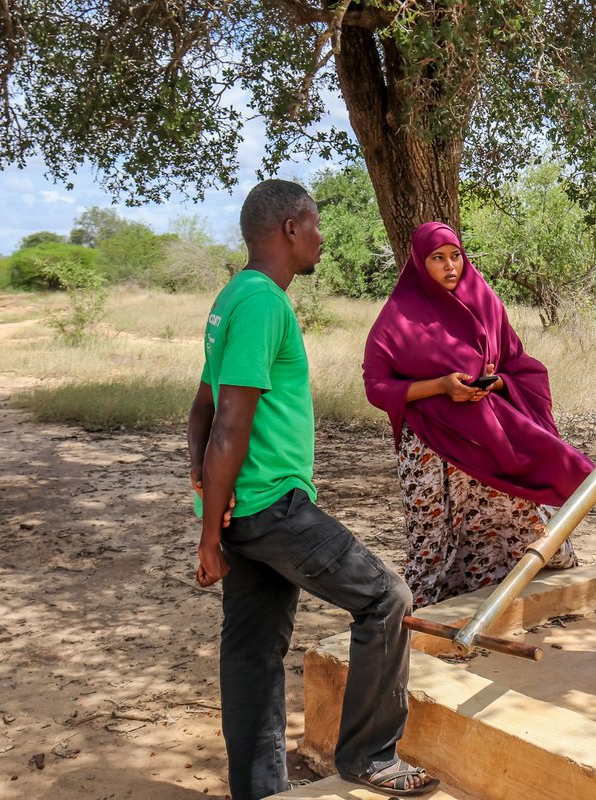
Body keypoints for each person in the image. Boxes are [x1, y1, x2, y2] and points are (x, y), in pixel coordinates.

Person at [186, 179, 438, 798]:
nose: (323, 237)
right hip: (270, 507)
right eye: (317, 224)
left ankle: (258, 789)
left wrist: (211, 504)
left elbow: (200, 409)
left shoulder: (234, 298)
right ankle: (370, 756)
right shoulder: (264, 303)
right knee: (386, 599)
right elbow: (227, 422)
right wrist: (206, 534)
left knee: (252, 650)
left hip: (242, 512)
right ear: (292, 227)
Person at [362, 221, 594, 608]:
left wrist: (496, 383)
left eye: (456, 256)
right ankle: (432, 614)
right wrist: (441, 386)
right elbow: (376, 387)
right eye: (437, 258)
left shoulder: (485, 302)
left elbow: (518, 365)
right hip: (427, 446)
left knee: (508, 515)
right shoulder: (397, 318)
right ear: (420, 263)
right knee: (433, 532)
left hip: (486, 437)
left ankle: (503, 600)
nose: (450, 266)